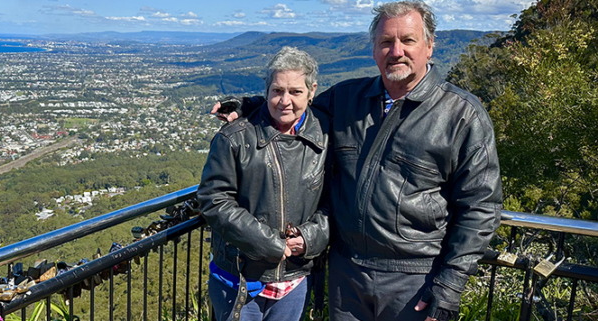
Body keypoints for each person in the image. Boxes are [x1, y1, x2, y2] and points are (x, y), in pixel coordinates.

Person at [211, 1, 502, 320]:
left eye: (408, 40)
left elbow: (481, 207)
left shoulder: (461, 115)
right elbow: (294, 107)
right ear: (374, 50)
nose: (396, 51)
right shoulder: (347, 99)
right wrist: (250, 105)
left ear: (429, 46)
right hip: (345, 276)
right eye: (386, 42)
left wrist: (449, 285)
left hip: (415, 279)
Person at [198, 47, 331, 321]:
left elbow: (336, 199)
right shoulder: (234, 138)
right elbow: (214, 201)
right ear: (266, 90)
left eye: (295, 91)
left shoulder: (327, 135)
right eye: (277, 91)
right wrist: (269, 243)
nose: (285, 101)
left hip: (294, 281)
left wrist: (310, 237)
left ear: (312, 91)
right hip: (239, 281)